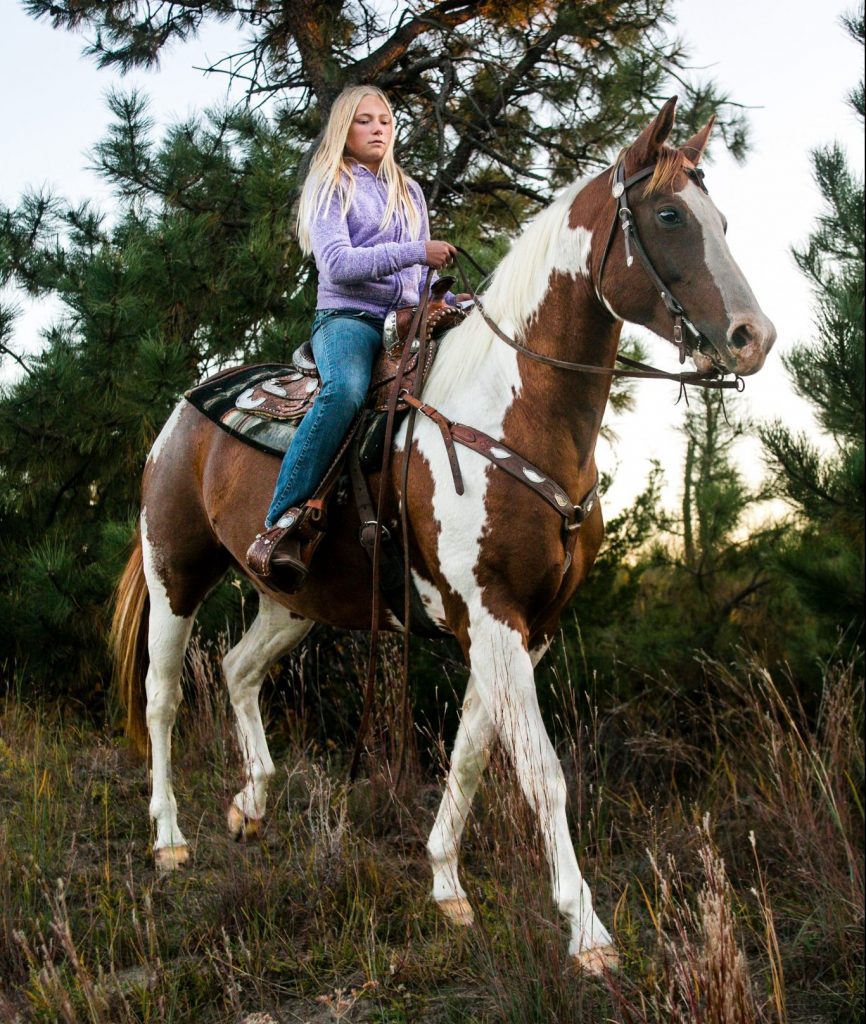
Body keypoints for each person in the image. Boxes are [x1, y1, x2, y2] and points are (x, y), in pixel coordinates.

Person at [245, 85, 458, 587]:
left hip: (406, 321)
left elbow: (417, 274)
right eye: (365, 120)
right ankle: (281, 522)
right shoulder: (330, 182)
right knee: (345, 390)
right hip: (350, 319)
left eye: (385, 119)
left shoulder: (409, 190)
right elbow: (337, 265)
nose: (378, 128)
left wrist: (440, 301)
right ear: (344, 129)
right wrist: (414, 252)